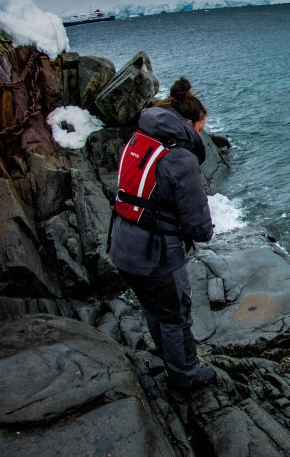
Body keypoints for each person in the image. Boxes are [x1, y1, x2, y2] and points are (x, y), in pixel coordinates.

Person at [108, 77, 216, 391]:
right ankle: (184, 376)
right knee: (175, 314)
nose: (201, 135)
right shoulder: (180, 158)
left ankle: (170, 363)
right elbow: (199, 228)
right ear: (190, 123)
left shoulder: (139, 138)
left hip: (121, 245)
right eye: (200, 128)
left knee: (154, 309)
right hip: (155, 255)